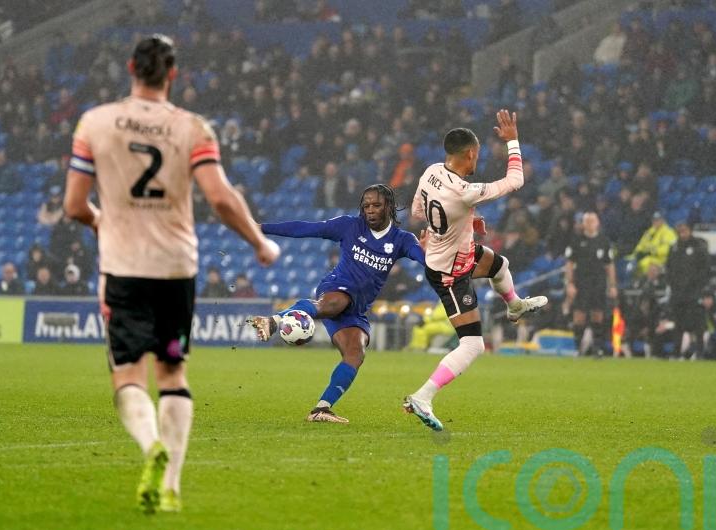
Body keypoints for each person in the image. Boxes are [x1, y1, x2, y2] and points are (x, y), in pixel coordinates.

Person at [62, 35, 279, 514]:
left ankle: (149, 445)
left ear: (130, 67)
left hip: (123, 267)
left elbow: (74, 206)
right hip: (176, 269)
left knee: (127, 374)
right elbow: (221, 199)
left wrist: (103, 221)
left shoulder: (94, 123)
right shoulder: (192, 128)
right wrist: (260, 243)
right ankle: (173, 485)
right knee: (173, 371)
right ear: (173, 74)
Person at [404, 110, 547, 431]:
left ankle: (515, 307)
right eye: (477, 156)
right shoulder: (465, 191)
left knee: (499, 265)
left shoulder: (430, 173)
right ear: (470, 154)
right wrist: (512, 142)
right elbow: (516, 180)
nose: (476, 162)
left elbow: (417, 211)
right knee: (472, 345)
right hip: (450, 273)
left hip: (458, 253)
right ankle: (423, 396)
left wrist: (461, 221)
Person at [249, 184, 426, 424]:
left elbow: (424, 259)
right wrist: (261, 228)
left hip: (357, 310)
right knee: (333, 303)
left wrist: (431, 254)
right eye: (366, 206)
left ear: (390, 207)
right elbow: (306, 228)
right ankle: (274, 320)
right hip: (336, 287)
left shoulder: (402, 239)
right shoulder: (349, 226)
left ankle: (321, 409)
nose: (370, 210)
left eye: (376, 205)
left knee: (356, 353)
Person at [564, 212, 617, 357]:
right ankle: (578, 348)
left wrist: (612, 285)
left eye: (592, 221)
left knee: (597, 315)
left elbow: (609, 265)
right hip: (581, 283)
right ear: (583, 224)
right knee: (579, 315)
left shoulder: (604, 241)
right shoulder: (576, 241)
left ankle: (597, 348)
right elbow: (569, 264)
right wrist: (570, 284)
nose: (589, 223)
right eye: (587, 221)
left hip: (598, 283)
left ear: (597, 223)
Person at [665, 222, 710, 360]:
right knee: (678, 323)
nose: (682, 233)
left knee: (698, 323)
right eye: (680, 231)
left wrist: (700, 288)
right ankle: (676, 352)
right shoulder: (674, 247)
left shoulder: (699, 246)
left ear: (690, 230)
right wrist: (672, 284)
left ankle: (700, 352)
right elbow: (669, 267)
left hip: (694, 291)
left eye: (684, 230)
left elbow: (705, 269)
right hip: (678, 292)